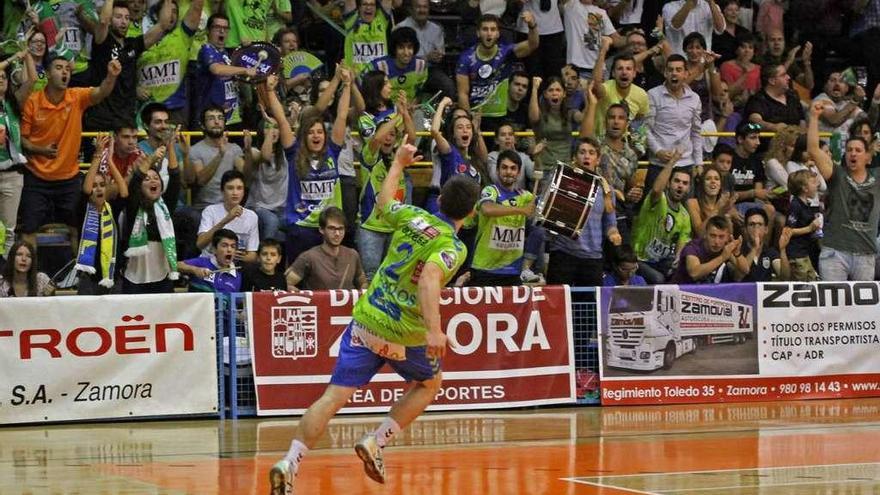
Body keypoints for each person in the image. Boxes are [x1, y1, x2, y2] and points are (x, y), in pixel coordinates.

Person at [268, 141, 481, 495]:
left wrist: (398, 163)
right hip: (404, 332)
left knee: (332, 398)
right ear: (470, 215)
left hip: (367, 320)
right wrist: (434, 331)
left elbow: (383, 203)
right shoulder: (453, 247)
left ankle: (289, 462)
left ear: (439, 200)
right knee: (431, 382)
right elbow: (429, 278)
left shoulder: (414, 216)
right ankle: (376, 441)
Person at [19, 56, 120, 249]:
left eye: (67, 69)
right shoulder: (33, 102)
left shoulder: (76, 97)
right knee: (29, 230)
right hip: (36, 177)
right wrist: (40, 150)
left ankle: (78, 276)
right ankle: (32, 278)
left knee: (78, 228)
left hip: (69, 178)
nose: (65, 72)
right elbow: (22, 140)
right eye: (59, 68)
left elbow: (100, 93)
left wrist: (111, 76)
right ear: (48, 74)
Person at [809, 101, 880, 281]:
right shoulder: (837, 173)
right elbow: (813, 150)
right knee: (833, 308)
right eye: (849, 150)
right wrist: (814, 117)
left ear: (868, 157)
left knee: (861, 309)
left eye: (858, 150)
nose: (853, 154)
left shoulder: (877, 178)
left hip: (866, 255)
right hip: (835, 252)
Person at [83, 0, 174, 131]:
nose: (124, 21)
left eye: (127, 18)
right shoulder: (102, 40)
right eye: (118, 17)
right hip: (100, 119)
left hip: (126, 118)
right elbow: (103, 21)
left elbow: (163, 25)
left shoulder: (133, 45)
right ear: (110, 20)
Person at [546, 137, 621, 287]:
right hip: (562, 253)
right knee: (558, 304)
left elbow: (610, 223)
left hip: (592, 258)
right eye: (582, 152)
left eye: (591, 153)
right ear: (575, 157)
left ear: (598, 159)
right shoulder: (561, 181)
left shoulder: (607, 191)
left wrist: (613, 233)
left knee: (589, 306)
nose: (587, 156)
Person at [468, 149, 536, 286]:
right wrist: (521, 210)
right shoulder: (490, 191)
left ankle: (527, 269)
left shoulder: (525, 196)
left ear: (518, 172)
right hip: (485, 268)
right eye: (504, 167)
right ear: (497, 170)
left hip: (512, 270)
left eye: (513, 168)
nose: (508, 172)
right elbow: (487, 209)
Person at [121, 144, 182, 294]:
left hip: (162, 276)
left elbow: (175, 178)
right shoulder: (133, 206)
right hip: (134, 277)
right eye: (147, 179)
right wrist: (151, 158)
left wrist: (171, 147)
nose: (153, 181)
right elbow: (135, 182)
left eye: (156, 178)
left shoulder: (165, 207)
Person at [455, 13, 539, 118]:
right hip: (476, 115)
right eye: (485, 29)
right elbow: (463, 94)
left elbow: (533, 44)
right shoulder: (465, 58)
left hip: (500, 115)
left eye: (493, 29)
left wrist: (532, 25)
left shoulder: (506, 52)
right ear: (478, 33)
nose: (489, 33)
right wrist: (468, 121)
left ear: (498, 33)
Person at [75, 133, 128, 295]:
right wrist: (98, 155)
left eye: (102, 185)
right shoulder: (82, 210)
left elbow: (124, 191)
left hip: (113, 277)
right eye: (95, 185)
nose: (98, 188)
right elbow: (86, 189)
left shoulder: (111, 208)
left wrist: (110, 161)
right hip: (88, 279)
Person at [631, 150, 692, 284]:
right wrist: (672, 162)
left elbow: (681, 243)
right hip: (639, 259)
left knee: (685, 271)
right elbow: (657, 189)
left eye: (685, 183)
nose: (680, 185)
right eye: (676, 181)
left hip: (661, 261)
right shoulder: (658, 200)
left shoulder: (684, 215)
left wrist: (678, 260)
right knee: (658, 279)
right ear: (669, 184)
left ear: (688, 188)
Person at [644, 54, 703, 193]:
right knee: (653, 208)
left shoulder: (695, 98)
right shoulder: (653, 95)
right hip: (659, 163)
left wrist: (699, 162)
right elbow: (645, 129)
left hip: (685, 163)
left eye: (678, 69)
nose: (674, 73)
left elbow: (696, 132)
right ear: (665, 73)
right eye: (670, 70)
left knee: (685, 210)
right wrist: (658, 151)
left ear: (686, 74)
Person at [0, 48, 35, 256]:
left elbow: (31, 80)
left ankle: (2, 276)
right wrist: (13, 57)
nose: (2, 79)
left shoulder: (13, 102)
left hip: (13, 175)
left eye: (4, 77)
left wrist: (27, 53)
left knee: (9, 231)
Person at [286, 206, 368, 290]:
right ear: (321, 229)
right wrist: (304, 299)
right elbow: (286, 284)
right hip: (319, 303)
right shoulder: (308, 257)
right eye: (332, 228)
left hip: (349, 303)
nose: (337, 233)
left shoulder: (352, 255)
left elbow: (363, 283)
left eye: (340, 229)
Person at [197, 169, 260, 263]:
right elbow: (200, 244)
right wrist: (227, 219)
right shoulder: (210, 211)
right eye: (230, 188)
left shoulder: (252, 216)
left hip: (236, 265)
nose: (235, 193)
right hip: (209, 262)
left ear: (244, 191)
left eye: (239, 188)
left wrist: (232, 255)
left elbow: (252, 255)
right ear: (222, 191)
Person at [671, 214, 741, 284]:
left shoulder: (724, 247)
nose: (717, 242)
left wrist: (738, 253)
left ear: (727, 237)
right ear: (705, 235)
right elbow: (694, 273)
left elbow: (744, 272)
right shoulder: (692, 247)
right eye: (713, 236)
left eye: (721, 237)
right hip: (681, 291)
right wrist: (722, 257)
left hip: (707, 292)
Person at [343, 0, 403, 76]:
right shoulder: (351, 21)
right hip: (355, 80)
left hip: (379, 80)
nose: (368, 7)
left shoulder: (381, 21)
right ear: (359, 8)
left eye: (372, 4)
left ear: (376, 8)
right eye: (365, 4)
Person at [732, 207, 790, 282]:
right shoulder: (738, 251)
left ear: (766, 229)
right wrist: (754, 249)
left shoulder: (771, 252)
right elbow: (738, 277)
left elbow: (785, 278)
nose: (756, 228)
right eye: (752, 224)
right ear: (745, 229)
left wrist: (782, 250)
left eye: (760, 224)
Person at [784, 169, 822, 282]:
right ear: (805, 188)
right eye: (814, 183)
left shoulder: (807, 204)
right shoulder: (795, 205)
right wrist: (810, 228)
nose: (817, 185)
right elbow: (788, 231)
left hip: (805, 253)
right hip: (796, 254)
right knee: (801, 285)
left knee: (812, 281)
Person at [179, 228, 242, 293]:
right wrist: (195, 270)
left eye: (233, 246)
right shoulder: (202, 263)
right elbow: (175, 265)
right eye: (224, 246)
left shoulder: (237, 277)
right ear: (214, 249)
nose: (229, 250)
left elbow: (234, 301)